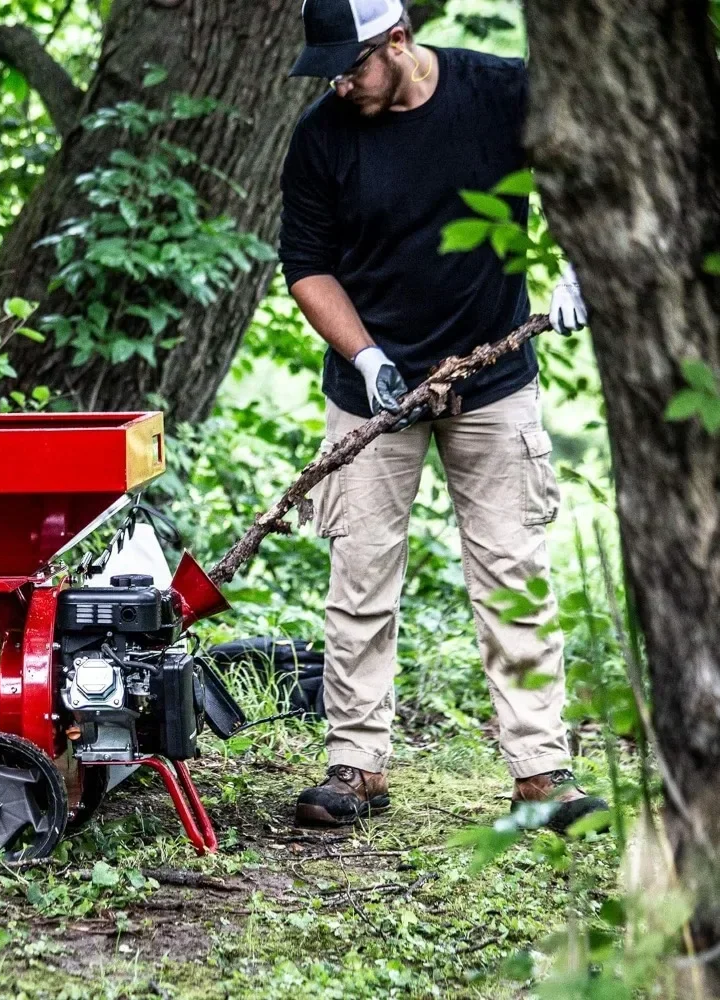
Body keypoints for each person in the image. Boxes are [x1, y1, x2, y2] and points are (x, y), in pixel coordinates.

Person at [280, 0, 606, 833]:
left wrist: (577, 266)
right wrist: (367, 360)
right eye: (331, 70)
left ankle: (541, 775)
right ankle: (356, 765)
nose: (341, 83)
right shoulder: (323, 137)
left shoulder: (501, 94)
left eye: (353, 65)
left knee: (513, 572)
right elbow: (308, 268)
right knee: (360, 580)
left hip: (493, 383)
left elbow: (580, 171)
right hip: (373, 395)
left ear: (399, 41)